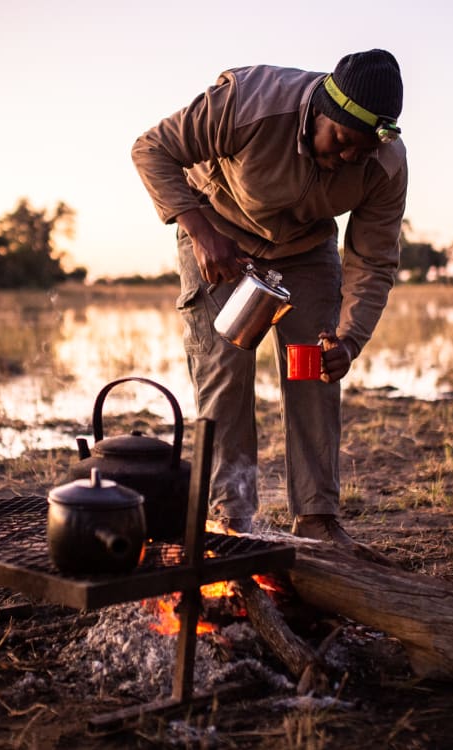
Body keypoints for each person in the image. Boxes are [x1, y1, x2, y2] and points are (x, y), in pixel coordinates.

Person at [131, 49, 407, 547]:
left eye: (360, 152)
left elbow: (375, 259)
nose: (348, 158)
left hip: (305, 251)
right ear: (323, 111)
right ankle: (229, 520)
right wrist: (199, 232)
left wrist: (349, 339)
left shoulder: (384, 166)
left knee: (313, 368)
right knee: (223, 372)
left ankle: (317, 518)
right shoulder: (251, 104)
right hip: (217, 234)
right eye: (342, 141)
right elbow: (151, 149)